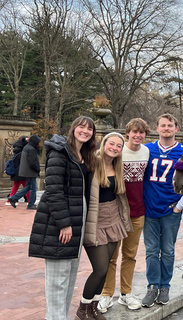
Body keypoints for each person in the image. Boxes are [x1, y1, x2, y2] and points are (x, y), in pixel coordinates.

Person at [28, 116, 97, 320]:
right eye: (81, 127)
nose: (85, 131)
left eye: (89, 129)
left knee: (68, 279)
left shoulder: (84, 155)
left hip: (78, 219)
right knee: (58, 281)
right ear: (73, 128)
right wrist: (64, 224)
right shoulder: (59, 152)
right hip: (61, 223)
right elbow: (53, 190)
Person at [75, 132, 133, 320]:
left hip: (114, 218)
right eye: (111, 143)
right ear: (104, 143)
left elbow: (120, 195)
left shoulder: (117, 166)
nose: (114, 148)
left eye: (118, 145)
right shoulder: (91, 163)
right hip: (95, 219)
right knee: (99, 268)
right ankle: (82, 309)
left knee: (106, 267)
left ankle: (94, 307)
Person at [98, 119, 150, 313]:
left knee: (130, 255)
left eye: (141, 132)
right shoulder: (118, 152)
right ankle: (107, 294)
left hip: (137, 211)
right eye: (134, 132)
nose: (137, 135)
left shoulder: (146, 152)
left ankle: (126, 293)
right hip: (116, 212)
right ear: (127, 132)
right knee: (110, 256)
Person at [141, 114, 183, 307]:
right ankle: (152, 286)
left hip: (171, 209)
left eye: (170, 125)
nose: (166, 128)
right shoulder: (147, 149)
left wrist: (179, 206)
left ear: (176, 129)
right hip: (149, 209)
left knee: (167, 250)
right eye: (163, 125)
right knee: (151, 250)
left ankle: (164, 286)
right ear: (157, 128)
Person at [8, 134, 41, 210]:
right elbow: (32, 162)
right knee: (33, 188)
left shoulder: (26, 147)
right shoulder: (31, 149)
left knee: (28, 186)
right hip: (30, 171)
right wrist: (37, 169)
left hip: (26, 171)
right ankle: (31, 204)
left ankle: (13, 198)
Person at [6, 136, 30, 205]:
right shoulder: (23, 152)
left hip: (16, 173)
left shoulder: (16, 151)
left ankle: (9, 200)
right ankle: (29, 200)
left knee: (15, 187)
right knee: (27, 187)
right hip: (22, 172)